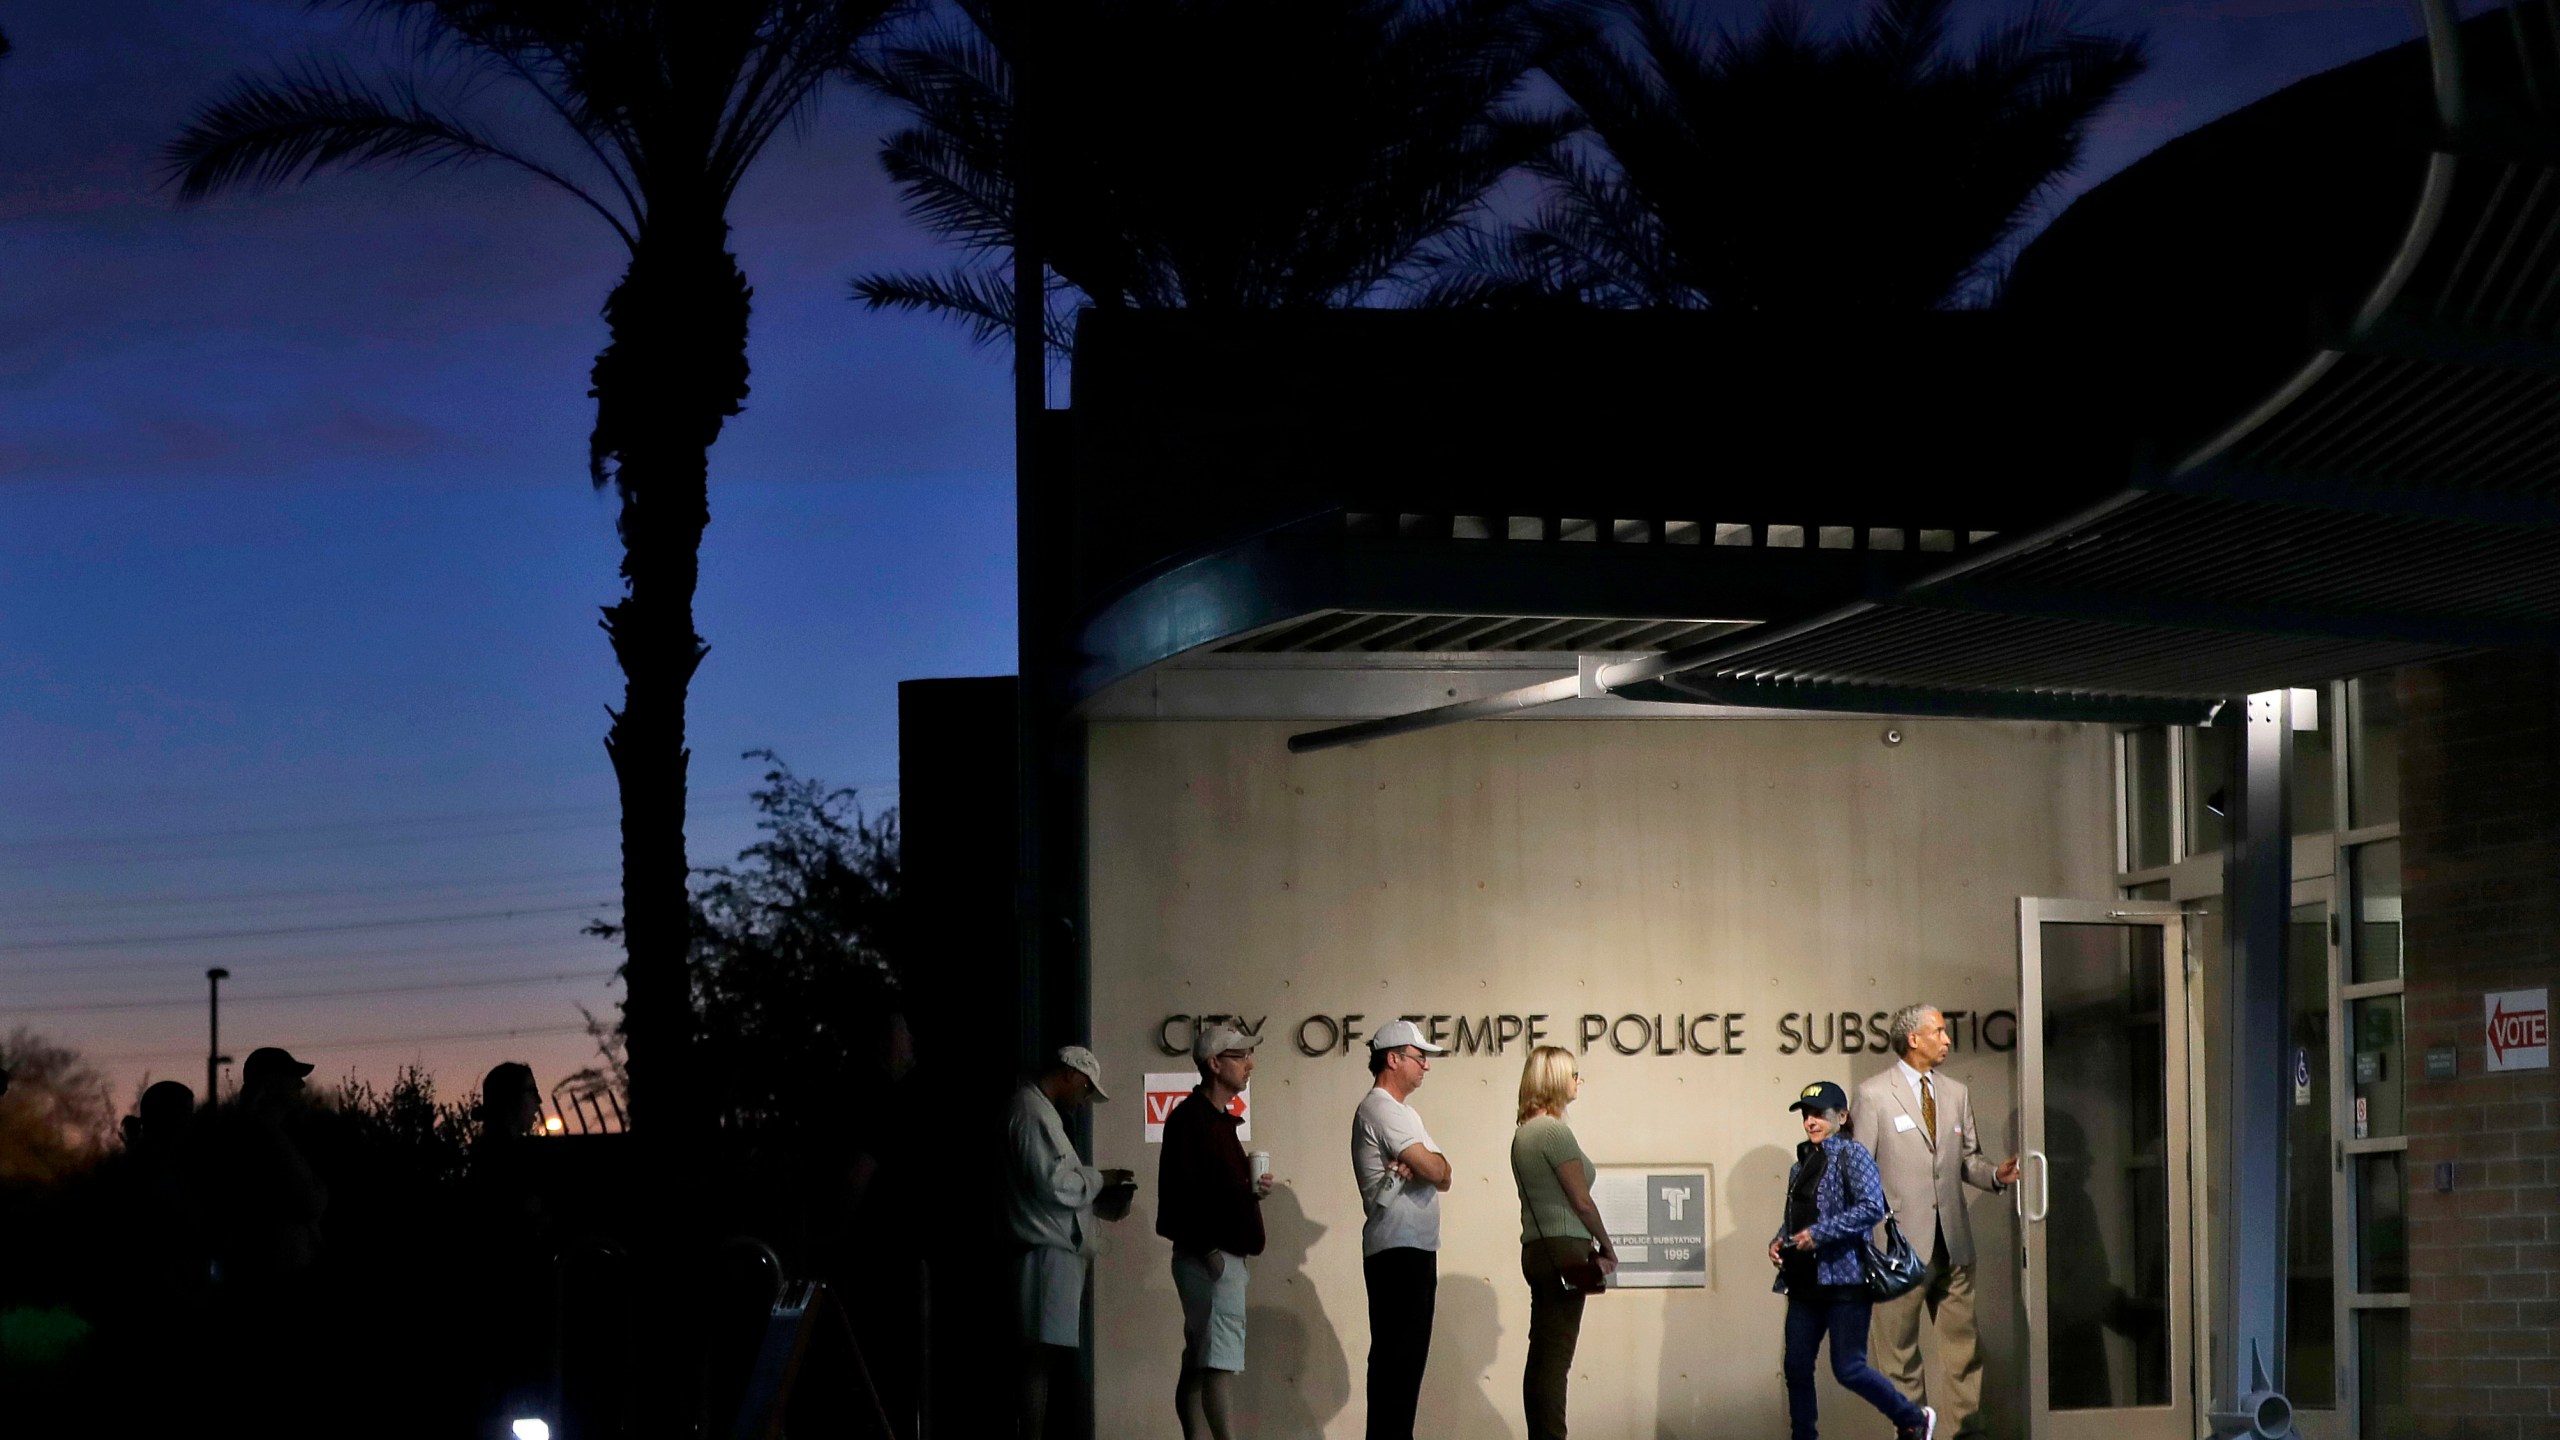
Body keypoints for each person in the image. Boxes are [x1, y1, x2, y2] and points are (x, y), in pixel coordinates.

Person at [1850, 1005, 2020, 1439]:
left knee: (1964, 1354)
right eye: (1939, 1032)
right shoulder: (1873, 1095)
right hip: (1896, 1252)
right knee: (1899, 1357)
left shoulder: (1956, 1093)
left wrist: (1995, 1175)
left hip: (1954, 1247)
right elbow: (1858, 1174)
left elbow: (1968, 1161)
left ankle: (1966, 1433)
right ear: (1913, 1040)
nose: (1947, 1040)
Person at [1771, 1080, 1935, 1440]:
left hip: (1844, 1281)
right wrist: (1780, 1241)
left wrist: (1820, 1234)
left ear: (1842, 1116)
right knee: (1796, 1369)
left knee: (1849, 1368)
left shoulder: (1852, 1154)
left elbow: (1871, 1207)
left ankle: (1912, 1418)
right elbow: (1795, 1218)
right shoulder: (1801, 1165)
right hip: (1803, 1283)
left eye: (1820, 1115)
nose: (1811, 1122)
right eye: (1806, 1115)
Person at [1006, 1045, 1134, 1440]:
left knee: (1042, 1361)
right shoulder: (1032, 1112)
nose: (1083, 1101)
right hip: (1045, 1253)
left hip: (1053, 1252)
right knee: (1038, 1362)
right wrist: (1102, 1179)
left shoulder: (1039, 1112)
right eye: (1085, 1090)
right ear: (1070, 1075)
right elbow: (1054, 1185)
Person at [1157, 1022, 1272, 1440]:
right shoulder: (1194, 1122)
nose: (1249, 1064)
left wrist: (1249, 1193)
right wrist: (1210, 1253)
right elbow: (1181, 1196)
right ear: (1214, 1063)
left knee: (1200, 1362)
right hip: (1211, 1258)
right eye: (1240, 1056)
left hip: (1212, 1256)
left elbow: (1205, 1192)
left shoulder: (1213, 1121)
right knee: (1217, 1364)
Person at [1349, 1019, 1453, 1440]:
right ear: (1392, 1059)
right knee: (1397, 1366)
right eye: (1418, 1057)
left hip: (1412, 1250)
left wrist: (1432, 1166)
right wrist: (1430, 1165)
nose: (1425, 1066)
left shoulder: (1405, 1113)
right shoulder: (1381, 1108)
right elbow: (1433, 1166)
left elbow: (1444, 1174)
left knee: (1406, 1368)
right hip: (1398, 1252)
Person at [1508, 1045, 1615, 1440]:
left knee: (1543, 1356)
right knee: (1556, 1360)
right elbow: (1581, 1201)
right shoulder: (1553, 1132)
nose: (1578, 1081)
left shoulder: (1524, 1134)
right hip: (1565, 1248)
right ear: (1554, 1080)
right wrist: (1606, 1245)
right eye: (1573, 1074)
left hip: (1537, 1250)